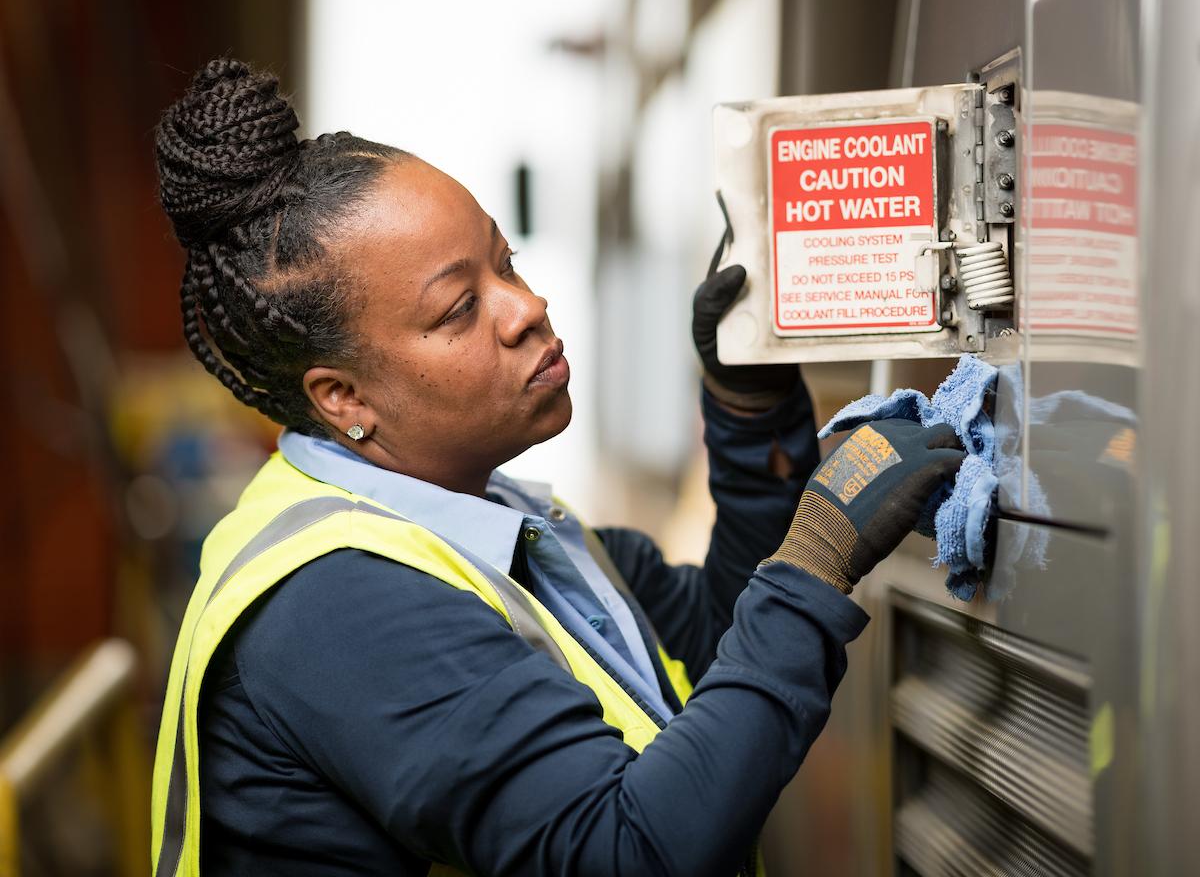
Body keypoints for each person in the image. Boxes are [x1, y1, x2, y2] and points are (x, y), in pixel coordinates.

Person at [149, 59, 964, 877]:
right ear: (342, 396)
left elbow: (716, 643)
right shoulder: (341, 601)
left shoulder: (494, 526)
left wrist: (748, 415)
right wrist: (816, 558)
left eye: (505, 263)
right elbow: (624, 853)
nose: (526, 307)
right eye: (459, 309)